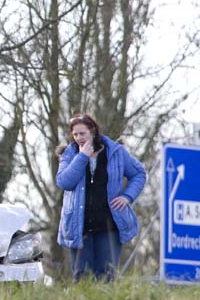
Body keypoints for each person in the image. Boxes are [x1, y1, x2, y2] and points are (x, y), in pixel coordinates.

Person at [56, 113, 146, 282]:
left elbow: (139, 173)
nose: (78, 138)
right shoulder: (70, 154)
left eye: (82, 133)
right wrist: (82, 157)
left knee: (107, 276)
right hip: (79, 227)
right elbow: (64, 182)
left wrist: (128, 196)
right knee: (82, 278)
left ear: (93, 131)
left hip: (109, 226)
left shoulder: (115, 151)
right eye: (75, 134)